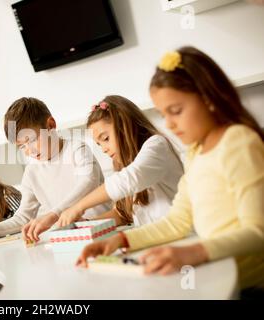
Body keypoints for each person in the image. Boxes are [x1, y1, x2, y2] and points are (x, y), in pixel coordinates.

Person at [77, 47, 264, 297]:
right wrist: (121, 241)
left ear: (208, 98)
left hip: (248, 285)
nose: (169, 124)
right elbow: (177, 222)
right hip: (218, 275)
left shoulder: (239, 142)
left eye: (175, 111)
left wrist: (195, 251)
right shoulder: (198, 152)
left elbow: (258, 232)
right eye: (164, 114)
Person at [0, 97, 110, 247]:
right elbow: (23, 217)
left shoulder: (76, 149)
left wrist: (53, 215)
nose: (29, 150)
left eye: (32, 140)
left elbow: (88, 182)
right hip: (70, 240)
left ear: (51, 125)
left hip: (104, 232)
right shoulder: (32, 172)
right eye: (22, 146)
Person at [56, 95, 183, 228]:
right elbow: (122, 214)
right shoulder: (125, 164)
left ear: (125, 126)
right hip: (155, 238)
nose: (104, 149)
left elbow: (132, 178)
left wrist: (78, 207)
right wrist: (87, 225)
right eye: (99, 144)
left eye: (105, 138)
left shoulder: (157, 145)